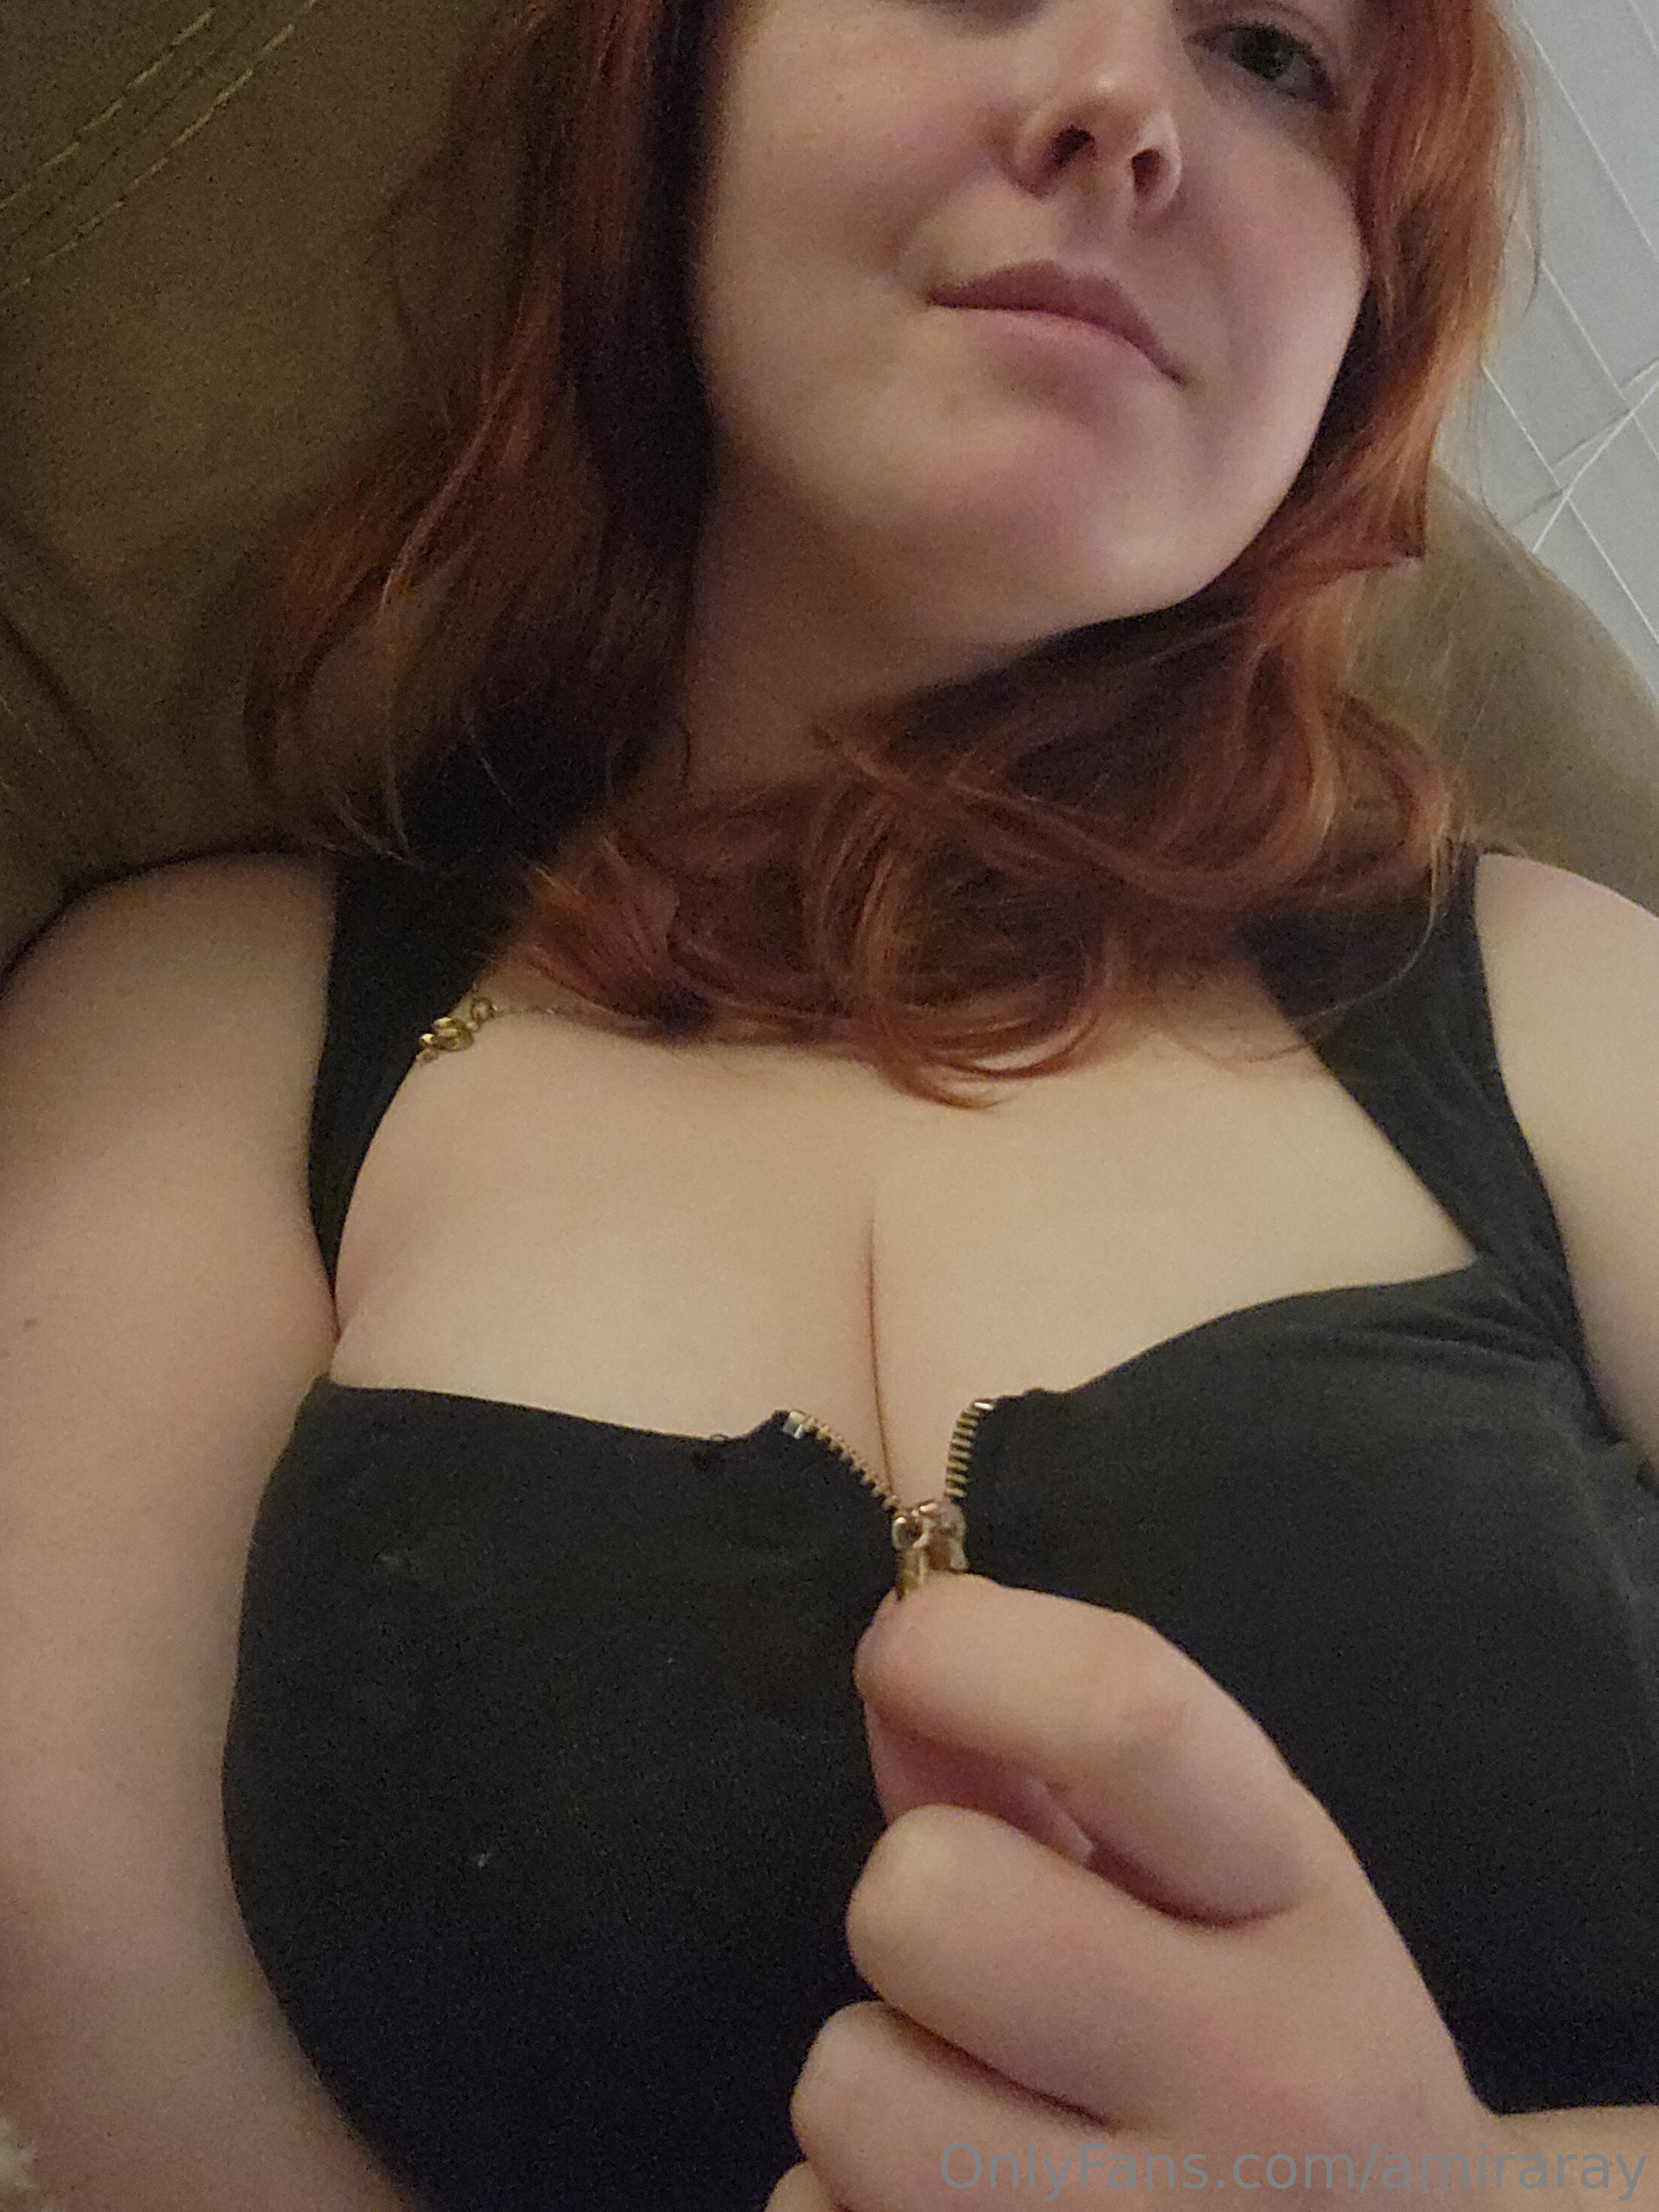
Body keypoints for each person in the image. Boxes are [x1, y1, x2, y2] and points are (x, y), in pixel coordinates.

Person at [2, 0, 1657, 2205]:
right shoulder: (196, 1029)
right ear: (674, 93)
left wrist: (1484, 2197)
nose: (1125, 108)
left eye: (1274, 52)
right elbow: (109, 2035)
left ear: (1365, 330)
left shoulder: (1573, 999)